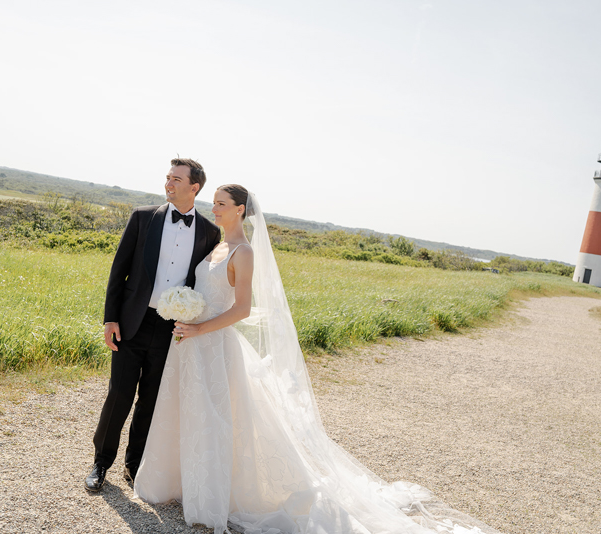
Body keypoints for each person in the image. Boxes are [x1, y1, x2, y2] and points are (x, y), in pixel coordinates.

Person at [133, 185, 502, 534]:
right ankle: (180, 482)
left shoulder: (242, 252)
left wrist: (202, 327)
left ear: (240, 210)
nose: (212, 208)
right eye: (213, 202)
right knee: (187, 411)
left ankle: (211, 497)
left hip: (213, 344)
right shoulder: (214, 245)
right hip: (192, 342)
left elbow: (243, 309)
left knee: (216, 417)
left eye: (220, 204)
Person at [84, 158, 221, 492]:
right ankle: (101, 463)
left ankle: (135, 467)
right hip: (132, 321)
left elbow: (204, 283)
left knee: (152, 399)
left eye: (176, 179)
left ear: (194, 187)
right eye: (167, 178)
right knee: (119, 393)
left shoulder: (209, 232)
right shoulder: (143, 217)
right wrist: (110, 318)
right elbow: (119, 270)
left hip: (171, 329)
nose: (168, 184)